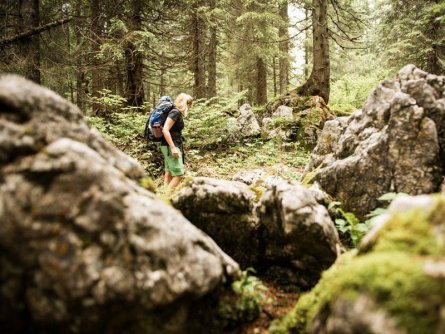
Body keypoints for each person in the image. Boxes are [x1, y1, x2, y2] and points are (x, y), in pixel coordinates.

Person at [161, 93, 193, 188]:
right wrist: (173, 148)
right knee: (179, 175)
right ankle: (165, 198)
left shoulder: (173, 112)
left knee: (169, 172)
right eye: (190, 104)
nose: (190, 107)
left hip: (166, 146)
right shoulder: (175, 112)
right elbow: (165, 130)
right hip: (171, 146)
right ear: (186, 104)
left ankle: (164, 195)